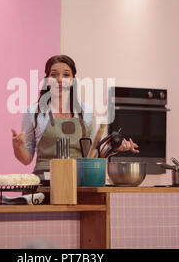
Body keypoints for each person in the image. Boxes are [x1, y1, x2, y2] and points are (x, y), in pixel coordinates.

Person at [11, 55, 139, 181]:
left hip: (79, 182)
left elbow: (93, 153)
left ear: (73, 81)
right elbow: (26, 159)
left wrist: (114, 146)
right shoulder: (33, 112)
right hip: (45, 182)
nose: (60, 79)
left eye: (66, 75)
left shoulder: (87, 112)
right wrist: (17, 147)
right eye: (54, 75)